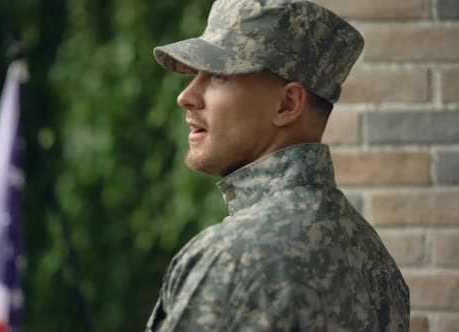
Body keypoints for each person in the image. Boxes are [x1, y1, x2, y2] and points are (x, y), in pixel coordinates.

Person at [145, 0, 410, 331]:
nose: (186, 95)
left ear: (287, 104)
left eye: (219, 75)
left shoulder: (229, 257)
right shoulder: (375, 263)